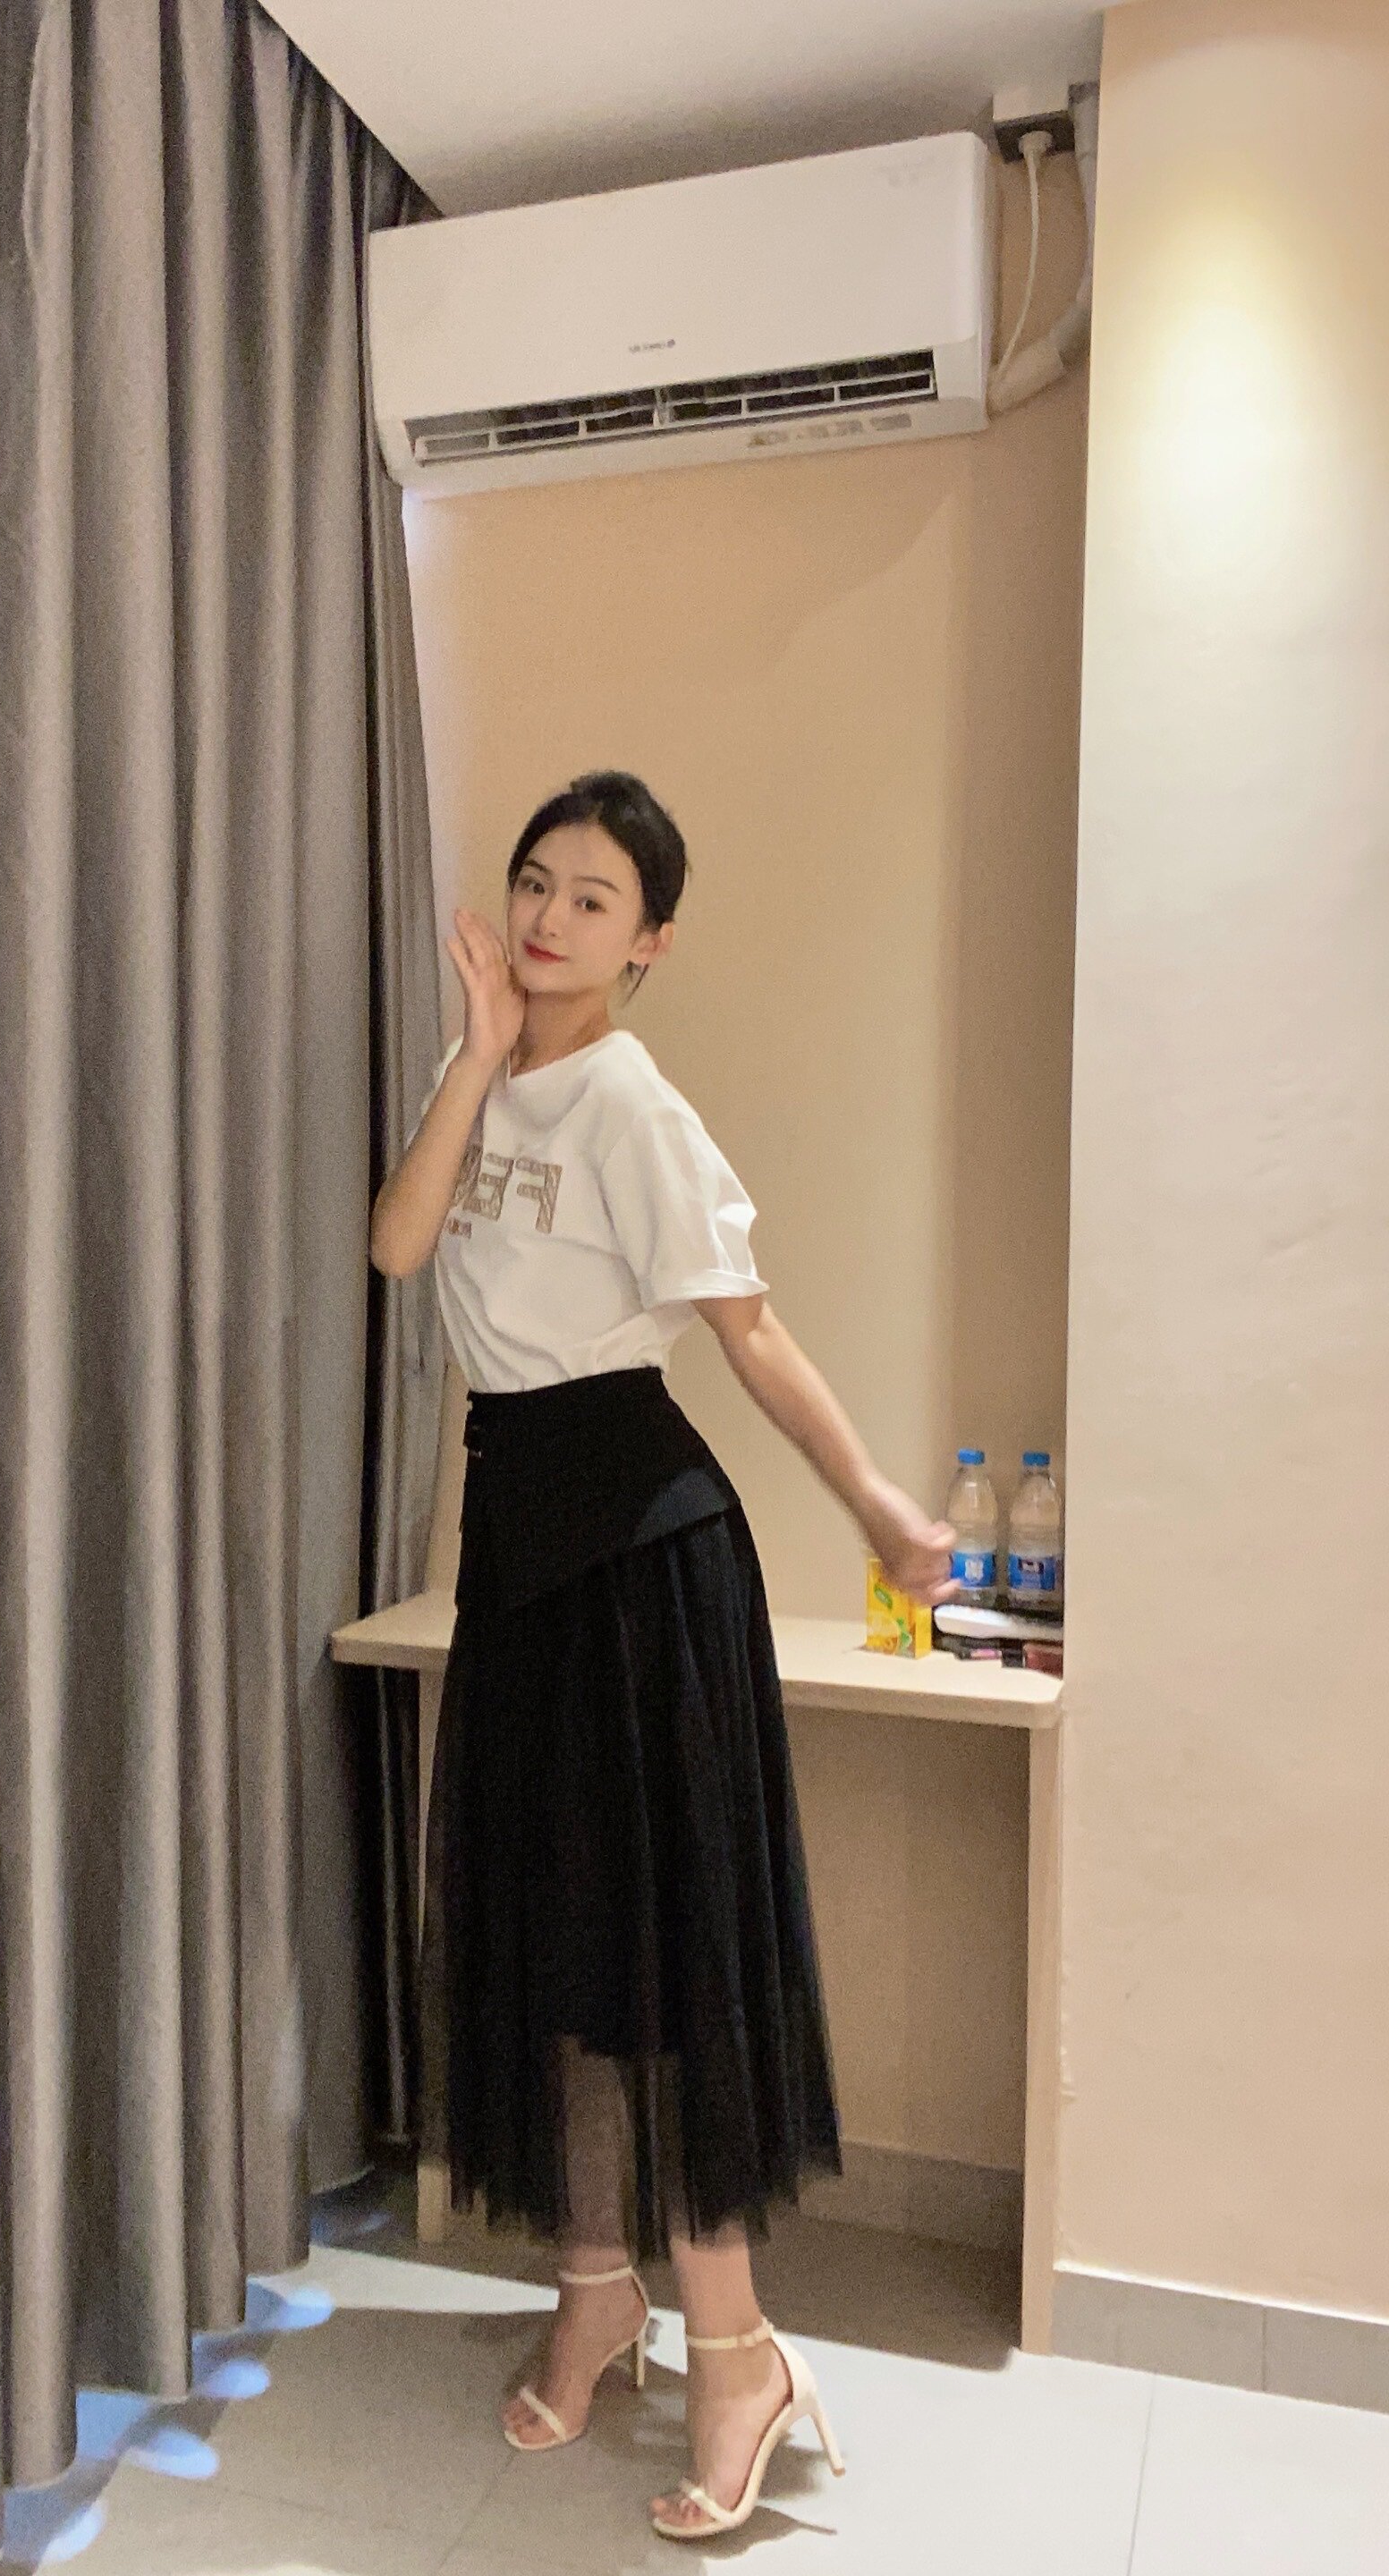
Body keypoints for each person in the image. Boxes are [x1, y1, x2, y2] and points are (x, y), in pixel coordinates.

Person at [368, 770, 957, 2543]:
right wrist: (479, 1052)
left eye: (594, 899)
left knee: (660, 1960)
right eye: (535, 883)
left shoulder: (634, 1104)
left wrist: (876, 1505)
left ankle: (737, 2352)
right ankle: (595, 2295)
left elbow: (747, 1333)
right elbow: (399, 1244)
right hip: (520, 1550)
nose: (549, 919)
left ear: (652, 942)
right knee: (549, 1943)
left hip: (642, 1554)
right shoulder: (489, 1072)